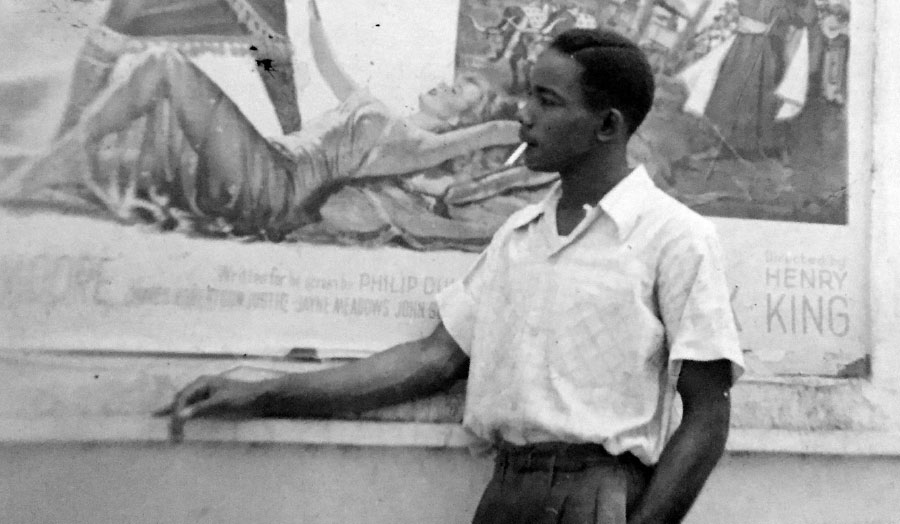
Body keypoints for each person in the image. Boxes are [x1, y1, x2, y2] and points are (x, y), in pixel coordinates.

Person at [158, 28, 744, 524]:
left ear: (607, 126)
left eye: (547, 100)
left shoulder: (675, 236)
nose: (524, 115)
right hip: (504, 493)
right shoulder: (519, 236)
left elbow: (708, 412)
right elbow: (432, 359)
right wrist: (260, 392)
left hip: (600, 496)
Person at [1, 0, 520, 241]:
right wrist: (313, 12)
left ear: (461, 123)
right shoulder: (378, 107)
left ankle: (47, 165)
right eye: (456, 81)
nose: (444, 86)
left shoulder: (418, 144)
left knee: (163, 69)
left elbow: (498, 131)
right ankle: (54, 164)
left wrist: (521, 117)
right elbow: (325, 60)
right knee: (154, 75)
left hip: (275, 188)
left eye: (459, 94)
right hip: (270, 162)